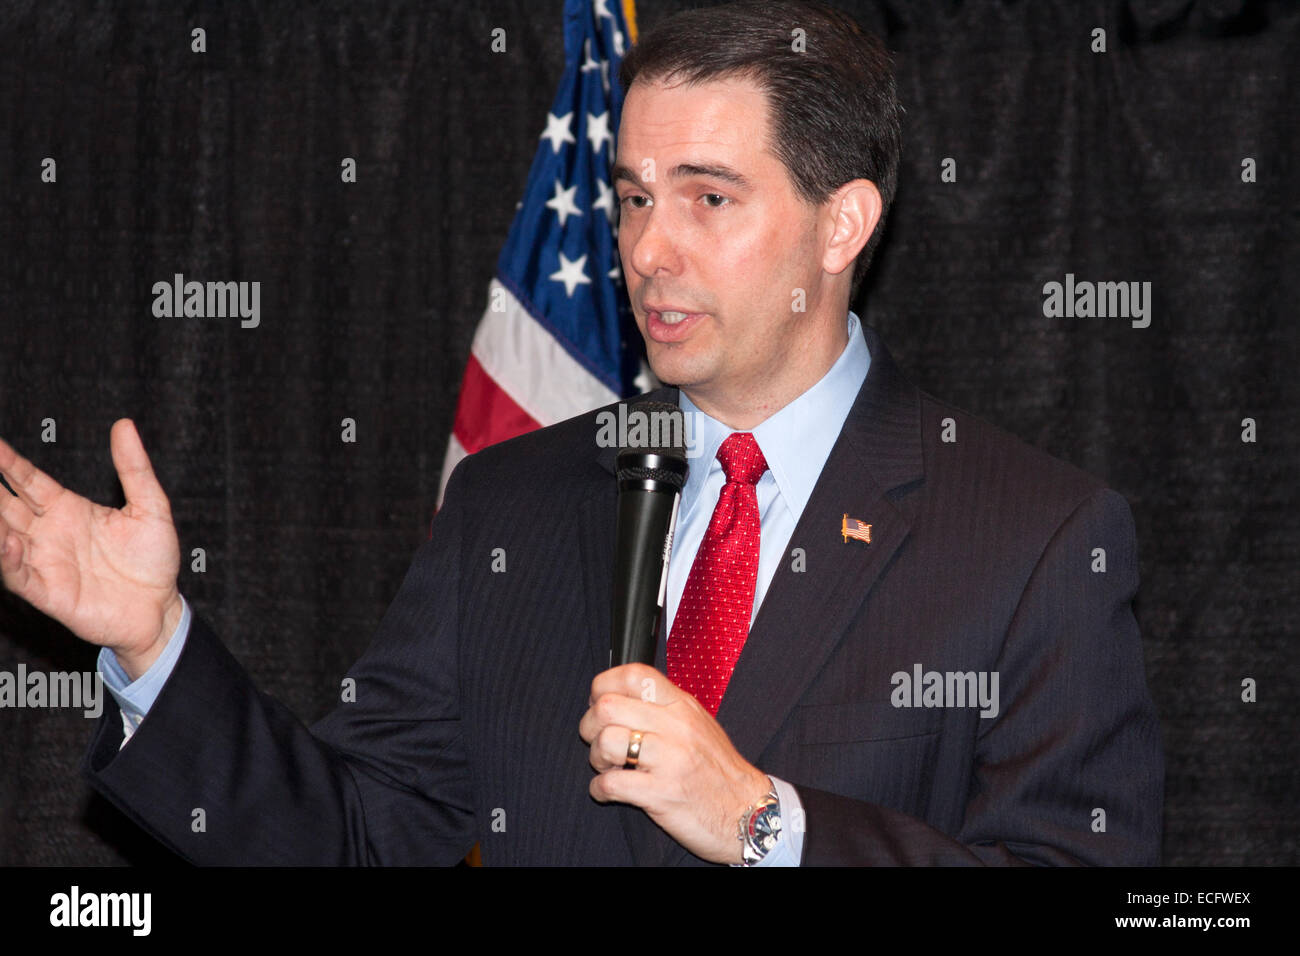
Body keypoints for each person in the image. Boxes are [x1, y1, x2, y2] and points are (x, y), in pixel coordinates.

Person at [0, 0, 1162, 865]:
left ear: (840, 222)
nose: (650, 249)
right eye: (634, 196)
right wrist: (154, 643)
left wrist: (768, 824)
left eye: (709, 197)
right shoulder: (513, 505)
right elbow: (350, 835)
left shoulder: (1033, 535)